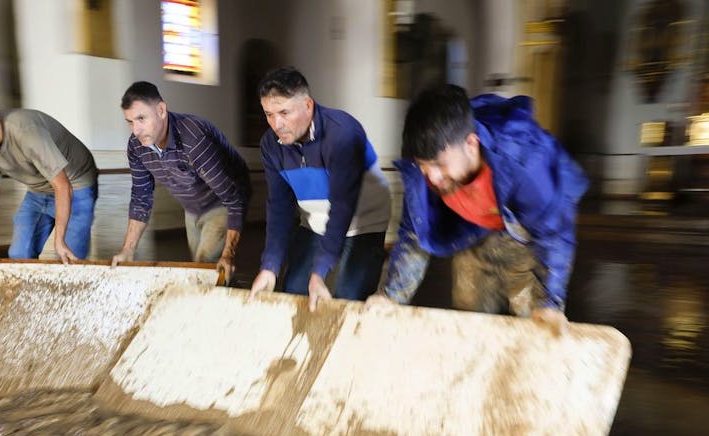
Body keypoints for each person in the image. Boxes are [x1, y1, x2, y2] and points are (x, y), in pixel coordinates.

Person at [368, 84, 589, 333]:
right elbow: (414, 235)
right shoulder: (423, 173)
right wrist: (391, 296)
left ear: (471, 144)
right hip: (473, 233)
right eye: (424, 165)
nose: (434, 177)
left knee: (531, 326)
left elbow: (553, 234)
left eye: (440, 164)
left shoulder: (525, 162)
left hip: (523, 236)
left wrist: (549, 302)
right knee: (471, 325)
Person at [248, 67, 391, 311]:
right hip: (314, 221)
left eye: (284, 112)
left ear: (307, 105)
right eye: (269, 114)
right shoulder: (271, 146)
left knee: (348, 298)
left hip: (364, 220)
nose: (276, 124)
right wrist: (269, 267)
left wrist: (320, 270)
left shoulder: (343, 133)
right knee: (293, 289)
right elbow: (280, 207)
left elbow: (343, 206)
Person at [112, 82, 250, 282]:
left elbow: (233, 198)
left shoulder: (193, 138)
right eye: (130, 122)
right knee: (207, 271)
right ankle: (232, 296)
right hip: (192, 205)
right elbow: (141, 198)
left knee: (205, 267)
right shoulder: (136, 146)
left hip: (222, 199)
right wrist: (127, 250)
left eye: (141, 118)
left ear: (161, 110)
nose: (136, 130)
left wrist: (228, 254)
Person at [0, 94, 99, 271]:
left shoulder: (25, 130)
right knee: (19, 254)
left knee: (70, 257)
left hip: (76, 183)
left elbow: (63, 185)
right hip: (38, 190)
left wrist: (59, 240)